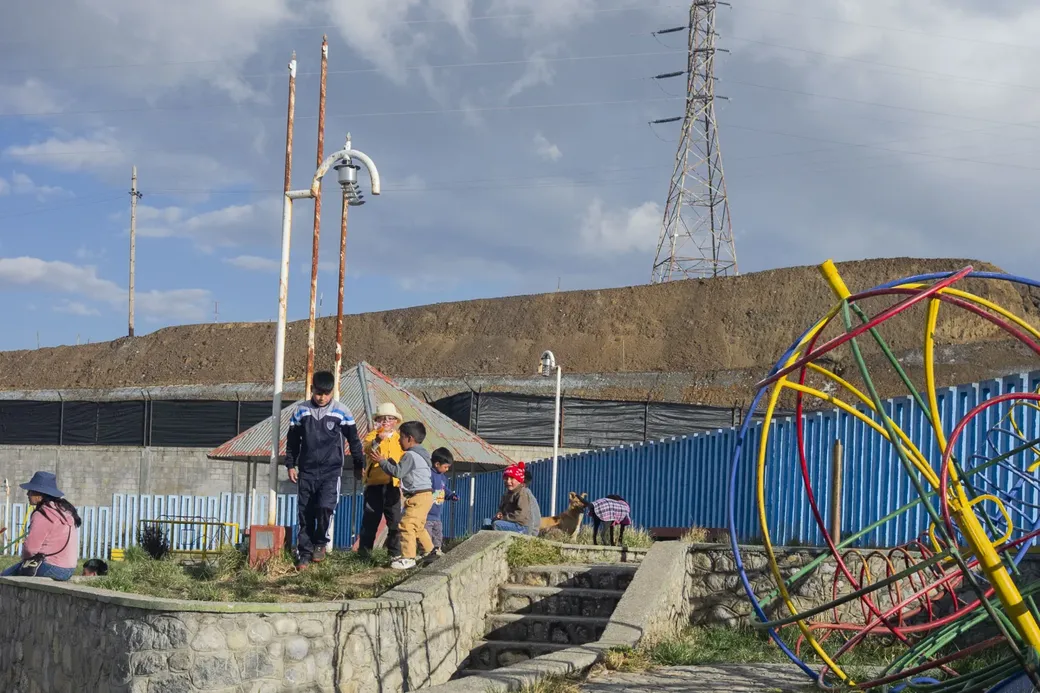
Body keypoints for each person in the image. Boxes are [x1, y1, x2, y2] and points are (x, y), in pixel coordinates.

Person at [285, 370, 364, 570]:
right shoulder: (300, 411)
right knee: (305, 513)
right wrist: (290, 464)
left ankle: (320, 542)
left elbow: (354, 441)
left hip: (331, 471)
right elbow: (293, 441)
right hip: (307, 471)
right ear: (312, 390)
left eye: (326, 393)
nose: (322, 397)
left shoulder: (342, 411)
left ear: (332, 392)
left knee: (324, 507)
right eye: (318, 393)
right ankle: (304, 554)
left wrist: (358, 464)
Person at [1, 471, 81, 581]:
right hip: (69, 569)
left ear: (40, 495)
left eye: (31, 491)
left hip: (51, 567)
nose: (27, 494)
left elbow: (30, 549)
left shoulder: (42, 514)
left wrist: (25, 560)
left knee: (4, 578)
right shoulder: (64, 510)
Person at [378, 421, 434, 570]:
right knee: (418, 527)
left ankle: (408, 558)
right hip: (425, 495)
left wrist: (382, 462)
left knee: (406, 525)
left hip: (418, 496)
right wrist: (391, 462)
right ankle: (431, 552)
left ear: (410, 438)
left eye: (401, 436)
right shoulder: (422, 454)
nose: (398, 439)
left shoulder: (409, 455)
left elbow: (398, 472)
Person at [358, 402, 404, 558]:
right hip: (374, 484)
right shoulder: (372, 435)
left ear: (396, 422)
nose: (386, 422)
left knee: (395, 521)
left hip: (393, 484)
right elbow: (367, 448)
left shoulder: (399, 440)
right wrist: (378, 439)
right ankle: (364, 554)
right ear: (377, 421)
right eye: (382, 419)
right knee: (371, 520)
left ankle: (395, 554)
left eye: (390, 419)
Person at [425, 447, 459, 557]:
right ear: (437, 464)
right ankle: (426, 552)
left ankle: (437, 550)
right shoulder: (429, 475)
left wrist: (451, 495)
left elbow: (444, 490)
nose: (447, 469)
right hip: (427, 514)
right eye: (446, 467)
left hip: (437, 515)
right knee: (427, 535)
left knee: (438, 534)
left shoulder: (443, 477)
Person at [492, 462, 538, 535]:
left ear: (520, 480)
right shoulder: (507, 494)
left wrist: (504, 518)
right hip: (511, 522)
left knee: (497, 524)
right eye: (506, 478)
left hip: (523, 527)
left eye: (512, 478)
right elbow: (502, 509)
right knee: (487, 522)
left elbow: (521, 515)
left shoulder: (523, 493)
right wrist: (499, 514)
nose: (508, 481)